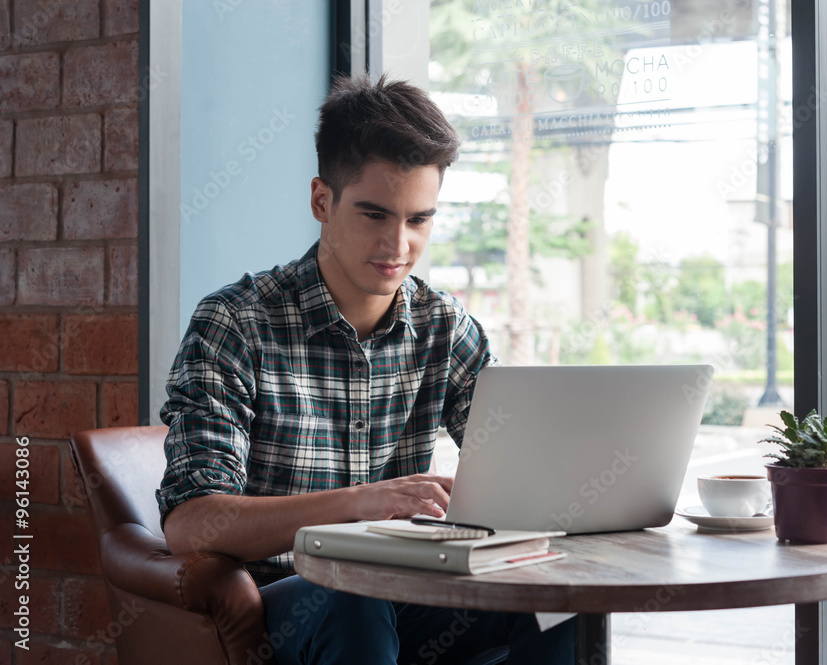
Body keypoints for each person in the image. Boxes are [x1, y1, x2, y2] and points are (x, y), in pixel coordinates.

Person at [156, 75, 575, 664]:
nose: (397, 244)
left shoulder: (442, 325)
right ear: (321, 200)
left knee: (561, 601)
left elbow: (519, 464)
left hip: (408, 592)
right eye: (375, 214)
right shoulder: (237, 323)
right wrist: (363, 501)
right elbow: (192, 524)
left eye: (418, 220)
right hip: (288, 602)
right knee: (354, 595)